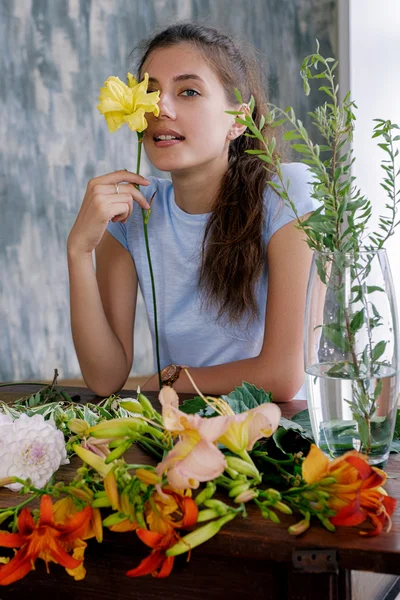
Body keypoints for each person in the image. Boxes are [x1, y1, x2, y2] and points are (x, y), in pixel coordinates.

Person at [67, 22, 319, 401]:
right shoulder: (131, 214)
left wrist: (164, 380)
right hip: (180, 431)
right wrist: (79, 252)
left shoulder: (287, 192)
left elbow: (283, 376)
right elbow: (105, 378)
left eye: (188, 92)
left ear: (239, 119)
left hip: (279, 432)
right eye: (150, 92)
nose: (161, 108)